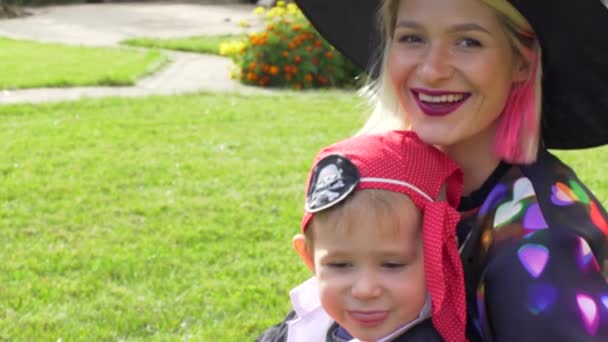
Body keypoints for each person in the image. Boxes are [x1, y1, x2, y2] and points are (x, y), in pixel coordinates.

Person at [258, 0, 608, 340]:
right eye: (412, 38)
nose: (432, 69)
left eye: (468, 42)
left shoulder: (543, 246)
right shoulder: (396, 186)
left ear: (521, 61)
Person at [290, 130, 466, 342]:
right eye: (340, 265)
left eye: (392, 264)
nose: (365, 290)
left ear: (439, 257)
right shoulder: (309, 320)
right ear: (309, 257)